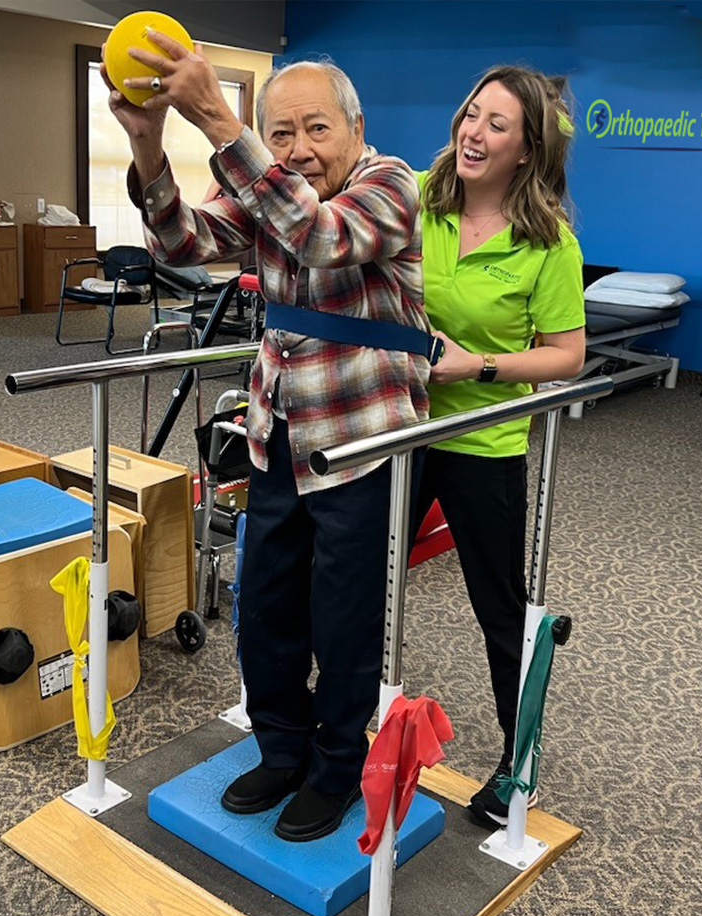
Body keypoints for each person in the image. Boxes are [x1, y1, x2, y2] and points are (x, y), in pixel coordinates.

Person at [104, 41, 430, 841]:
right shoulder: (267, 184)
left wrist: (218, 116)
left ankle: (336, 765)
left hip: (360, 433)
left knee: (343, 613)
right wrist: (148, 140)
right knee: (266, 601)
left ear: (357, 127)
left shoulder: (391, 185)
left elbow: (318, 238)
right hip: (277, 424)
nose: (298, 149)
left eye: (316, 128)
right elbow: (181, 246)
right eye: (279, 134)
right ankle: (281, 746)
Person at [416, 66, 586, 827]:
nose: (473, 134)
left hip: (482, 439)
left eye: (496, 125)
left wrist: (478, 365)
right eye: (470, 114)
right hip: (401, 423)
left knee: (498, 607)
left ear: (526, 150)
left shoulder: (550, 243)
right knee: (354, 573)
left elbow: (566, 355)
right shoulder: (419, 197)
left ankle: (518, 767)